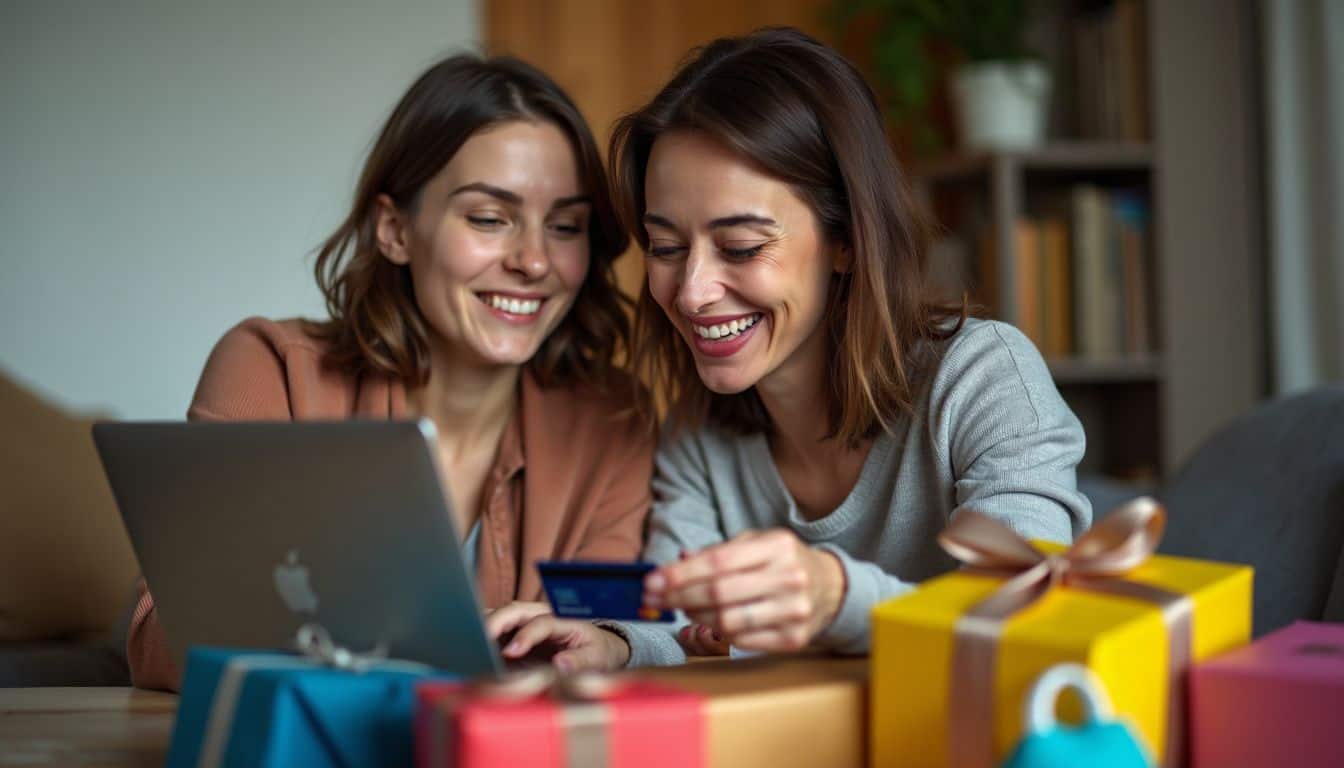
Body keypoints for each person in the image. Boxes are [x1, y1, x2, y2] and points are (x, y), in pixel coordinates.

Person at [487, 27, 1091, 670]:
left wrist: (834, 598)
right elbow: (677, 623)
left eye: (742, 247)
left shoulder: (984, 378)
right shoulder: (699, 434)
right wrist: (611, 643)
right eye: (665, 249)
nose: (690, 293)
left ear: (847, 241)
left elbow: (1020, 614)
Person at [126, 53, 653, 690]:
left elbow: (597, 650)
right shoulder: (270, 370)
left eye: (566, 226)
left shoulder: (616, 421)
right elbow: (162, 639)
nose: (535, 261)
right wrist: (448, 646)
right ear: (395, 229)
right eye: (489, 218)